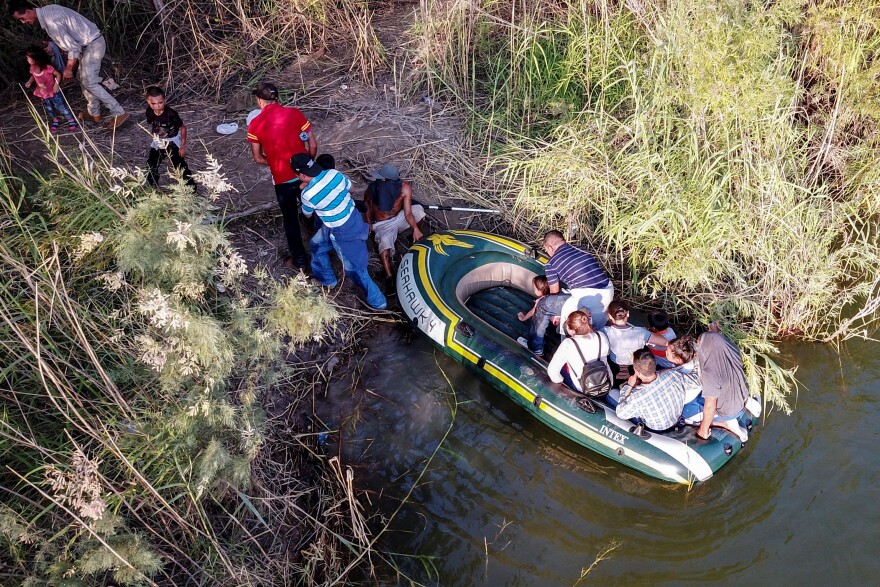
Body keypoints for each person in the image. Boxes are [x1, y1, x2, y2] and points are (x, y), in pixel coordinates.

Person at [290, 153, 387, 310]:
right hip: (350, 219)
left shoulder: (308, 195)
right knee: (316, 245)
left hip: (341, 232)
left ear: (301, 175)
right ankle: (327, 280)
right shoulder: (335, 174)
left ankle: (378, 301)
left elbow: (307, 214)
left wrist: (306, 189)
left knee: (354, 268)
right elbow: (352, 190)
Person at [11, 1, 129, 129]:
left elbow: (73, 47)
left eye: (22, 19)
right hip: (87, 45)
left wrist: (68, 68)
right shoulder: (48, 11)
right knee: (83, 79)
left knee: (89, 82)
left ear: (28, 11)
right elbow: (70, 38)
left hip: (92, 44)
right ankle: (94, 114)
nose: (23, 22)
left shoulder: (51, 21)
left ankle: (119, 112)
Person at [247, 82, 316, 269]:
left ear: (259, 100)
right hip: (305, 174)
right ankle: (323, 249)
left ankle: (300, 261)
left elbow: (258, 158)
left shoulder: (255, 124)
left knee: (290, 219)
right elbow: (313, 143)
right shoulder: (294, 113)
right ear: (276, 98)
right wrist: (307, 163)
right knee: (316, 208)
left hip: (282, 180)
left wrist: (277, 162)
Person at [524, 230, 614, 356]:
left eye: (546, 250)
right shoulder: (582, 249)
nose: (548, 254)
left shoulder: (552, 263)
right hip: (608, 294)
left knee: (544, 305)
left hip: (589, 300)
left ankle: (535, 347)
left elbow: (554, 292)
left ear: (550, 247)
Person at [664, 328, 751, 442]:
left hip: (728, 408)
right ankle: (748, 401)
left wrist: (703, 431)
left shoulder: (709, 373)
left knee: (684, 415)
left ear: (680, 360)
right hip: (740, 390)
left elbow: (710, 404)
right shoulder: (711, 336)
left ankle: (726, 423)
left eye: (668, 354)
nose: (665, 352)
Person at [363, 163, 425, 290]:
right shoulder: (373, 189)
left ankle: (410, 237)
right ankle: (389, 276)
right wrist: (368, 222)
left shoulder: (405, 188)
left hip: (398, 217)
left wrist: (415, 228)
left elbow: (408, 213)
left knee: (419, 211)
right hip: (382, 224)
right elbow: (366, 205)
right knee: (385, 245)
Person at [615, 349, 686, 431]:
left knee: (613, 393)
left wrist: (629, 386)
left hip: (656, 429)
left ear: (636, 371)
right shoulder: (672, 374)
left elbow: (620, 413)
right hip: (676, 420)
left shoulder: (637, 397)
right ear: (655, 363)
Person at [601, 300, 670, 380]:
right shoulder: (640, 332)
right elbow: (665, 342)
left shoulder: (604, 331)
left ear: (609, 316)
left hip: (615, 366)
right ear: (628, 314)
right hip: (634, 366)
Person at [546, 310, 612, 392]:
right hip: (606, 382)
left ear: (571, 331)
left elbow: (552, 372)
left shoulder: (568, 344)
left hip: (583, 388)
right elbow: (607, 354)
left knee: (561, 366)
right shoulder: (601, 336)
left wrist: (560, 382)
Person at [144, 86, 195, 189]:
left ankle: (191, 189)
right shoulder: (149, 112)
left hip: (172, 142)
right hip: (158, 142)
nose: (157, 106)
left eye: (160, 102)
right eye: (153, 103)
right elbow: (153, 124)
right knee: (152, 164)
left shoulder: (171, 114)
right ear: (148, 102)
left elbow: (183, 128)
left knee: (179, 166)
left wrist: (182, 146)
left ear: (165, 100)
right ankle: (151, 187)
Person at [24, 45, 77, 132]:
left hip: (53, 91)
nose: (27, 59)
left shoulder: (47, 68)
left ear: (36, 59)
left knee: (61, 107)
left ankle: (71, 120)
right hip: (43, 93)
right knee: (49, 108)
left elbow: (58, 74)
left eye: (28, 58)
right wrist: (30, 81)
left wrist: (56, 84)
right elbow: (33, 76)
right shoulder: (32, 68)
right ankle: (55, 120)